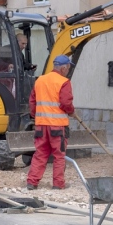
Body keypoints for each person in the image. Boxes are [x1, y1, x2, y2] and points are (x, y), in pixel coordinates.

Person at [27, 54, 75, 190]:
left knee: (40, 154)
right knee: (59, 156)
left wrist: (35, 116)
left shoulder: (40, 80)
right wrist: (71, 111)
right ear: (64, 68)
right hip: (57, 126)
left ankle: (32, 182)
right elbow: (66, 102)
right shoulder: (64, 82)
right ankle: (58, 184)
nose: (68, 70)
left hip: (41, 125)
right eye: (69, 68)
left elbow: (32, 102)